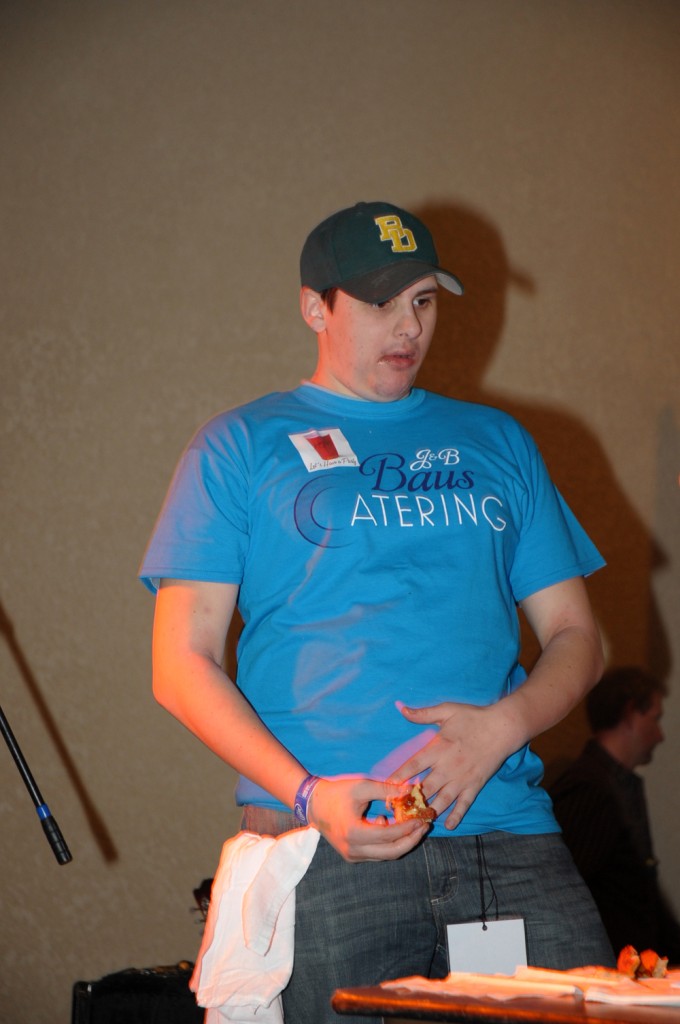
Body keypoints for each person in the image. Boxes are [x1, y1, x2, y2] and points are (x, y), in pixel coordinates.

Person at [139, 200, 614, 1022]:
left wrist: (500, 729)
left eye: (424, 300)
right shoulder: (238, 445)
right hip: (329, 846)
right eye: (380, 302)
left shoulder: (498, 441)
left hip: (508, 832)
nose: (409, 327)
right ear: (314, 307)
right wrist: (308, 796)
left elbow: (578, 637)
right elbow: (180, 665)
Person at [550, 666, 680, 962]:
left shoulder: (612, 784)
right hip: (607, 968)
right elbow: (567, 889)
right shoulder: (590, 788)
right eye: (655, 718)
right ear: (630, 713)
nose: (660, 735)